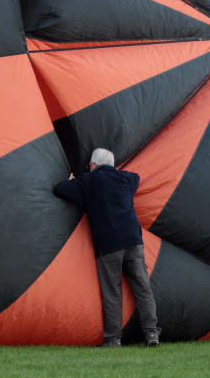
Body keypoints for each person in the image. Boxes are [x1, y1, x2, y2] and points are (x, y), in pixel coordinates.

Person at [53, 148, 161, 348]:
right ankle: (152, 333)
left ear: (93, 165)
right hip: (133, 242)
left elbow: (59, 189)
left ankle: (113, 339)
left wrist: (70, 180)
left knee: (112, 292)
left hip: (109, 245)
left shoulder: (87, 181)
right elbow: (136, 177)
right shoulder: (126, 179)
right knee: (143, 288)